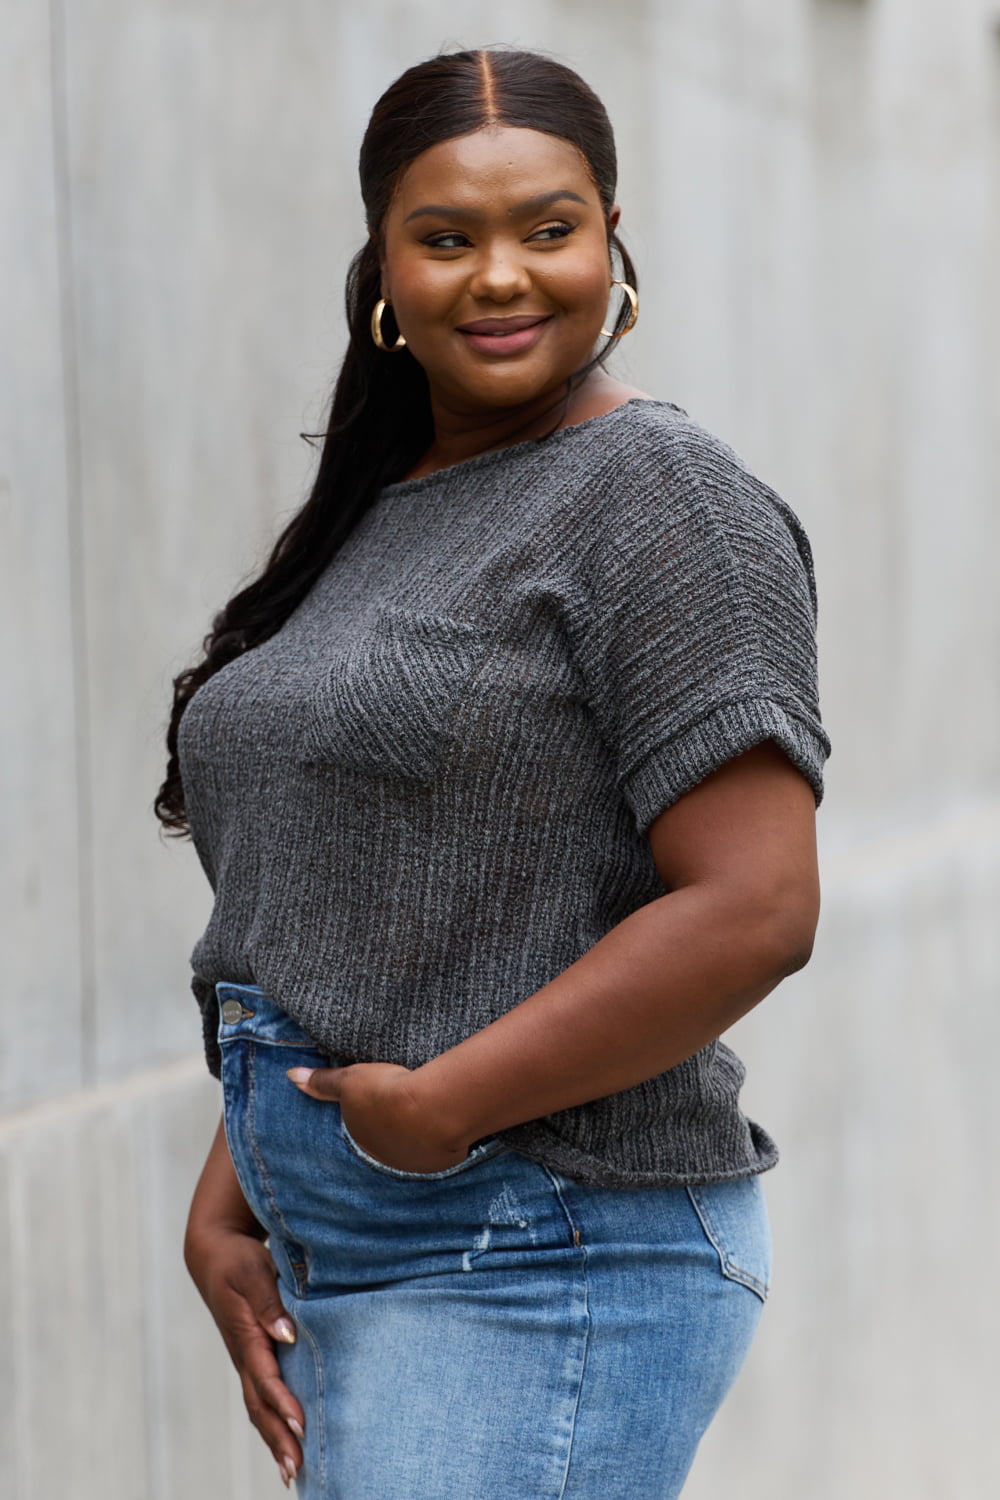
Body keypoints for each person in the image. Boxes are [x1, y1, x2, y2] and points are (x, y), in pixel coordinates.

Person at [157, 46, 829, 1500]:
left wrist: (446, 1107)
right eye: (447, 237)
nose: (504, 276)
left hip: (543, 1233)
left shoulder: (662, 497)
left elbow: (757, 905)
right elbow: (353, 892)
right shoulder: (384, 503)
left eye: (550, 227)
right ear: (383, 271)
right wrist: (239, 1184)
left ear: (613, 242)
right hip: (363, 1234)